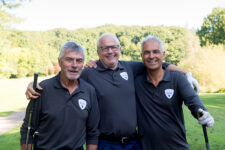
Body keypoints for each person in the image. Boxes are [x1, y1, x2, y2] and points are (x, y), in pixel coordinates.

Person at [25, 33, 198, 150]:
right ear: (98, 52)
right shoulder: (88, 72)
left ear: (119, 49)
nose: (110, 51)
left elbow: (158, 63)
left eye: (113, 47)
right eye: (105, 48)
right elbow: (68, 72)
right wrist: (35, 87)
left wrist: (186, 74)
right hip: (105, 143)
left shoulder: (130, 68)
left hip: (133, 143)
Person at [135, 35, 214, 150]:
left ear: (163, 54)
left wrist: (202, 112)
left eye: (156, 52)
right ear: (141, 56)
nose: (151, 56)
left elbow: (192, 100)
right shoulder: (136, 82)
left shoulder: (177, 79)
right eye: (147, 52)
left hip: (177, 146)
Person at [20, 41, 100, 150]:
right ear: (59, 62)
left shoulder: (89, 91)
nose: (74, 65)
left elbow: (93, 133)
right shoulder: (42, 89)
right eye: (69, 59)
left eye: (79, 61)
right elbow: (27, 131)